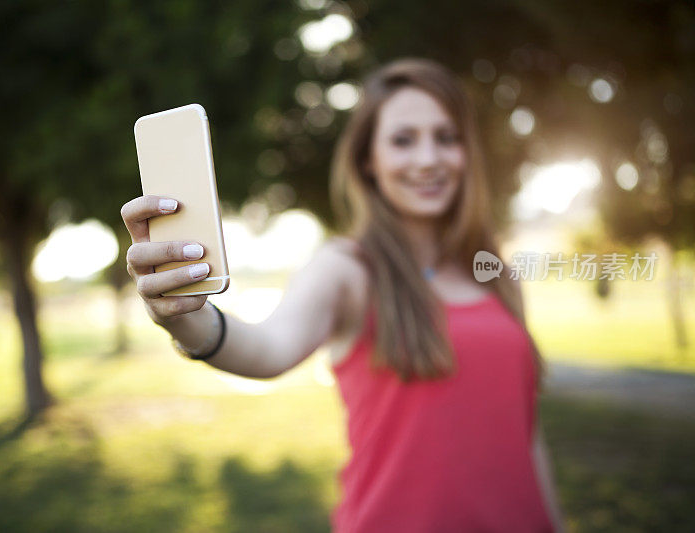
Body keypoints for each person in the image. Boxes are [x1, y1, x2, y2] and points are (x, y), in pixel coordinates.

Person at [120, 58, 566, 532]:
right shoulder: (348, 268)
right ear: (368, 161)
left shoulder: (495, 273)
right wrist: (184, 319)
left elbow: (525, 432)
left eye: (446, 137)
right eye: (403, 140)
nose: (429, 158)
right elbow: (267, 348)